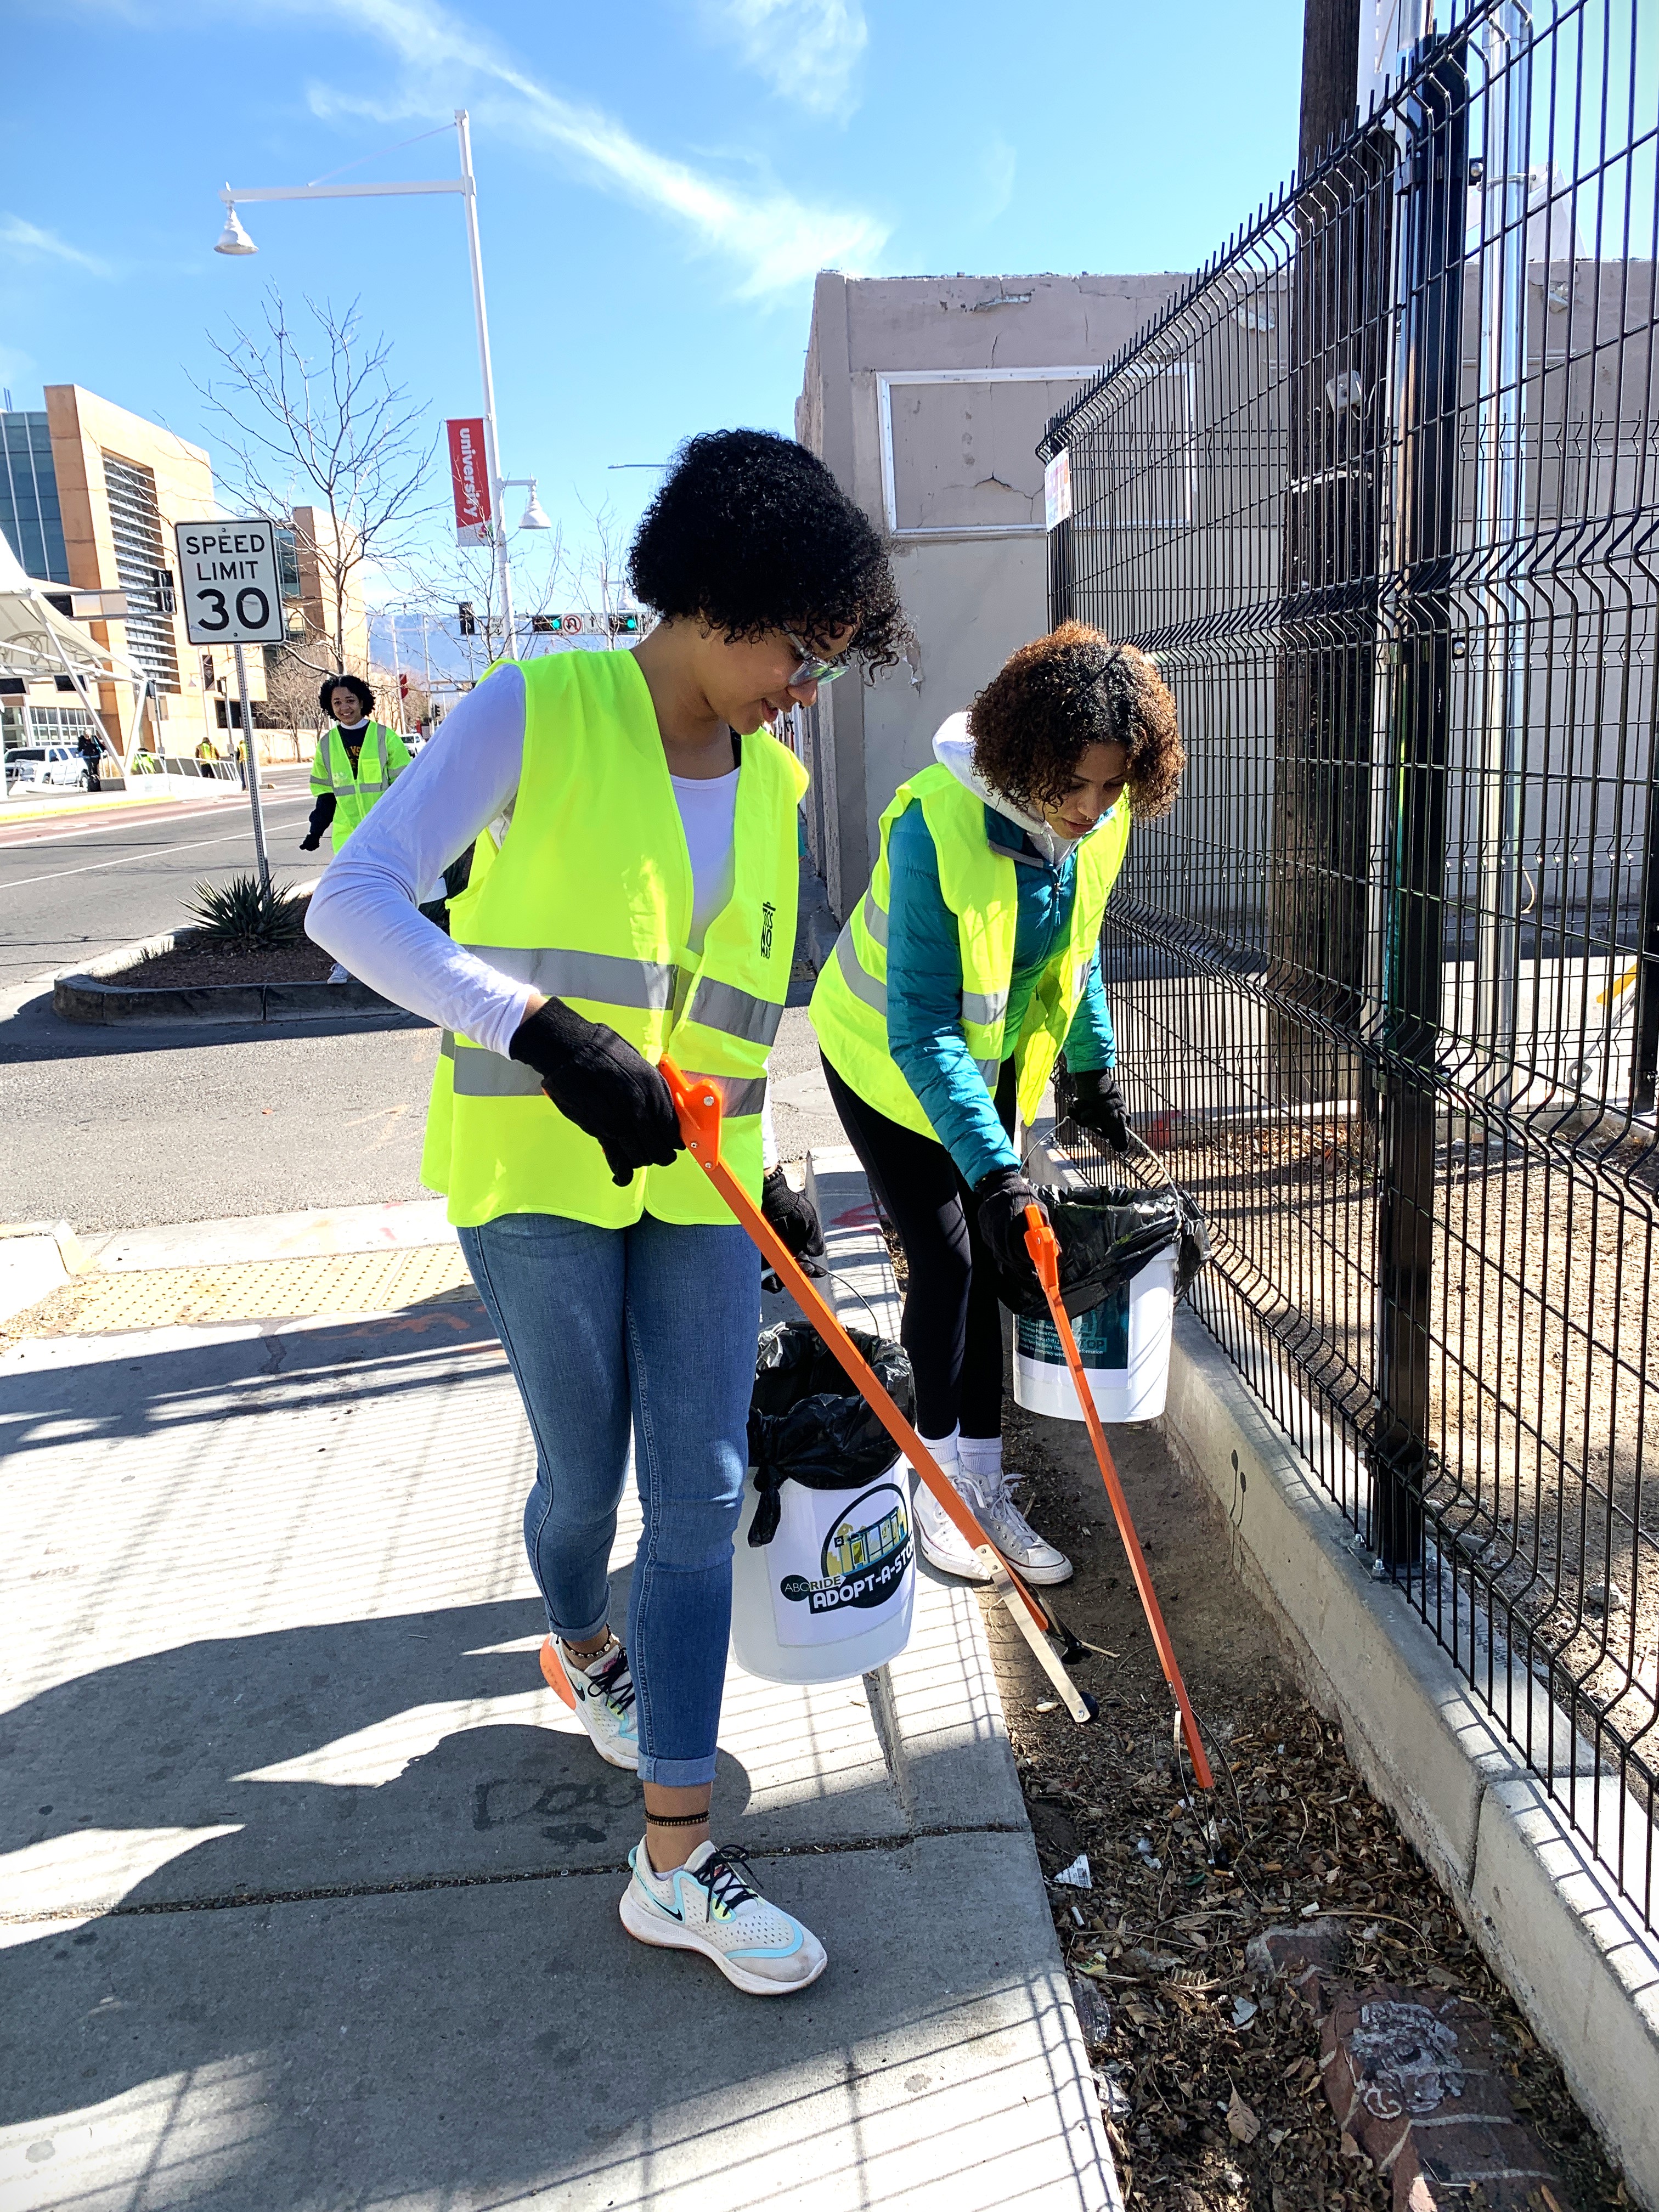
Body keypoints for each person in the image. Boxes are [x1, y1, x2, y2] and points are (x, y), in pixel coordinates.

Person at [306, 428, 904, 1996]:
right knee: (583, 1481)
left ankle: (677, 1857)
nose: (808, 688)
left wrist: (766, 1160)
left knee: (697, 1492)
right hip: (535, 1186)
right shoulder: (540, 708)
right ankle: (579, 1635)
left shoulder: (775, 788)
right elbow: (351, 899)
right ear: (715, 596)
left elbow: (728, 1015)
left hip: (697, 1197)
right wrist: (545, 1034)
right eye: (801, 649)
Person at [810, 624, 1184, 1587]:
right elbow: (924, 1025)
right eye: (1075, 784)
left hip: (983, 1071)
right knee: (951, 1260)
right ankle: (938, 1488)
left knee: (990, 1253)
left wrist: (1091, 1069)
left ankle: (983, 1478)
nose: (1092, 807)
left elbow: (1074, 949)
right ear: (1023, 755)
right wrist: (997, 1173)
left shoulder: (1099, 823)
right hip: (886, 1064)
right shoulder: (933, 823)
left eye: (1112, 785)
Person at [300, 675, 411, 853]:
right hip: (347, 841)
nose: (344, 707)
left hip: (386, 836)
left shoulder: (385, 737)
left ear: (361, 702)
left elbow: (406, 789)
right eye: (337, 702)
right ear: (330, 706)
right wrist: (315, 832)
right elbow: (326, 798)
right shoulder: (327, 744)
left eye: (350, 700)